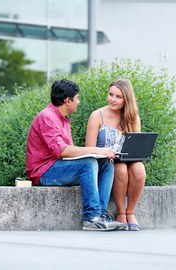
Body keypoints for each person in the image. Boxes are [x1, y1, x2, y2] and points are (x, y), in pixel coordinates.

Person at [26, 79, 123, 231]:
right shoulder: (47, 117)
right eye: (77, 98)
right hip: (43, 172)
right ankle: (91, 217)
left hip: (58, 165)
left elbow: (67, 152)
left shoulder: (63, 120)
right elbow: (63, 151)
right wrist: (96, 150)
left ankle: (102, 215)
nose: (79, 101)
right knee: (88, 163)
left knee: (106, 164)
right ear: (67, 100)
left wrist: (101, 155)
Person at [85, 79, 145, 231]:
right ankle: (121, 212)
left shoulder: (133, 118)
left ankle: (130, 211)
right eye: (111, 94)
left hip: (126, 159)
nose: (112, 99)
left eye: (118, 96)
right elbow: (89, 148)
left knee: (139, 168)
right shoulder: (97, 115)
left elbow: (135, 146)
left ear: (126, 99)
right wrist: (106, 153)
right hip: (105, 162)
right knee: (120, 169)